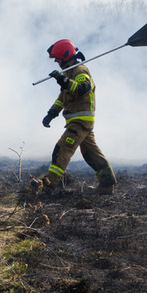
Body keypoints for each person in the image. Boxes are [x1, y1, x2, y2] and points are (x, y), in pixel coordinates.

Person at [32, 39, 116, 196]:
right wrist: (51, 113)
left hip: (80, 121)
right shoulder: (69, 73)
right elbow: (63, 97)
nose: (56, 61)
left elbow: (83, 89)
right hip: (79, 121)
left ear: (65, 55)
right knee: (91, 153)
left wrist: (63, 81)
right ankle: (107, 185)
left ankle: (47, 186)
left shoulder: (80, 70)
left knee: (62, 149)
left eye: (57, 57)